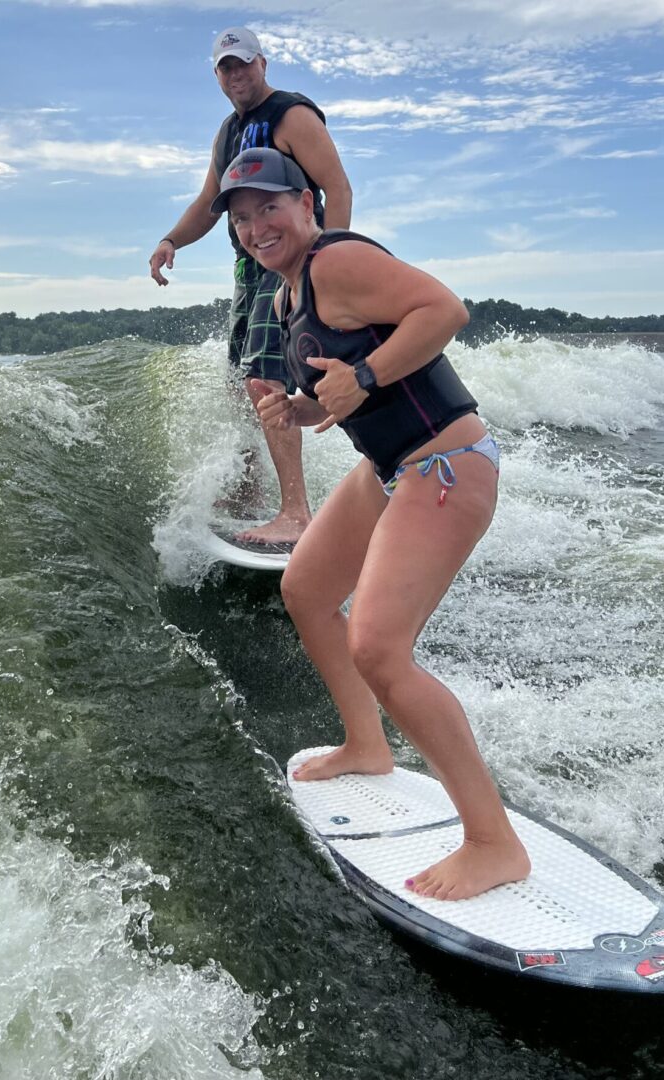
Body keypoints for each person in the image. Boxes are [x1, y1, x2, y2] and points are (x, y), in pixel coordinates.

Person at [210, 146, 531, 901]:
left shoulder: (335, 262)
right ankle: (366, 745)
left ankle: (493, 842)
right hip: (390, 471)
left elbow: (443, 310)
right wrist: (305, 406)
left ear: (308, 204)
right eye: (242, 217)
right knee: (308, 587)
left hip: (447, 467)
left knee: (381, 649)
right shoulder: (289, 299)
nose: (258, 226)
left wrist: (365, 376)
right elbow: (344, 391)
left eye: (271, 207)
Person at [149, 26, 352, 545]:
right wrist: (172, 240)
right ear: (217, 75)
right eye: (226, 67)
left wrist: (330, 263)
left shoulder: (291, 115)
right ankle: (249, 488)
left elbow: (337, 188)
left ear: (262, 64)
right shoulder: (228, 133)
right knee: (241, 387)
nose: (236, 74)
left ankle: (295, 512)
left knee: (265, 379)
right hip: (249, 270)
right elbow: (206, 205)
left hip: (291, 262)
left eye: (243, 63)